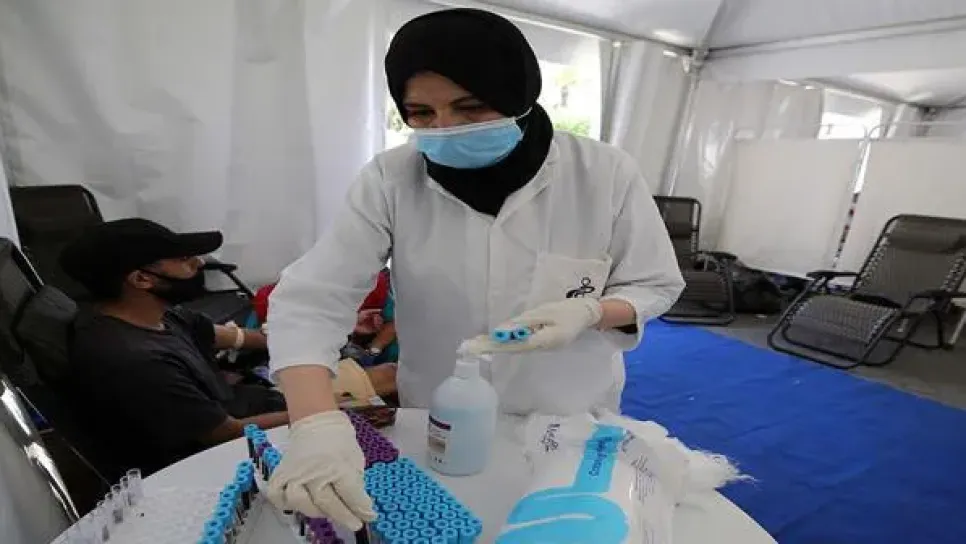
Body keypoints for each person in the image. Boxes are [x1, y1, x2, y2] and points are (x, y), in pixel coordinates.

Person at [263, 8, 684, 531]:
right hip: (436, 419)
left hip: (567, 420)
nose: (445, 130)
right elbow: (313, 298)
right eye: (421, 113)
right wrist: (315, 424)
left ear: (517, 94)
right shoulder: (392, 179)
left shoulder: (603, 173)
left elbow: (654, 282)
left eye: (470, 108)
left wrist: (593, 312)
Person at [58, 218, 396, 479]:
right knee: (386, 384)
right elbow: (225, 433)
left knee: (387, 376)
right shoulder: (134, 361)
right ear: (141, 279)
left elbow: (243, 338)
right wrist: (325, 413)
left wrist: (333, 328)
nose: (199, 264)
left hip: (248, 397)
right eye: (184, 259)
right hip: (227, 445)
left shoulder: (160, 314)